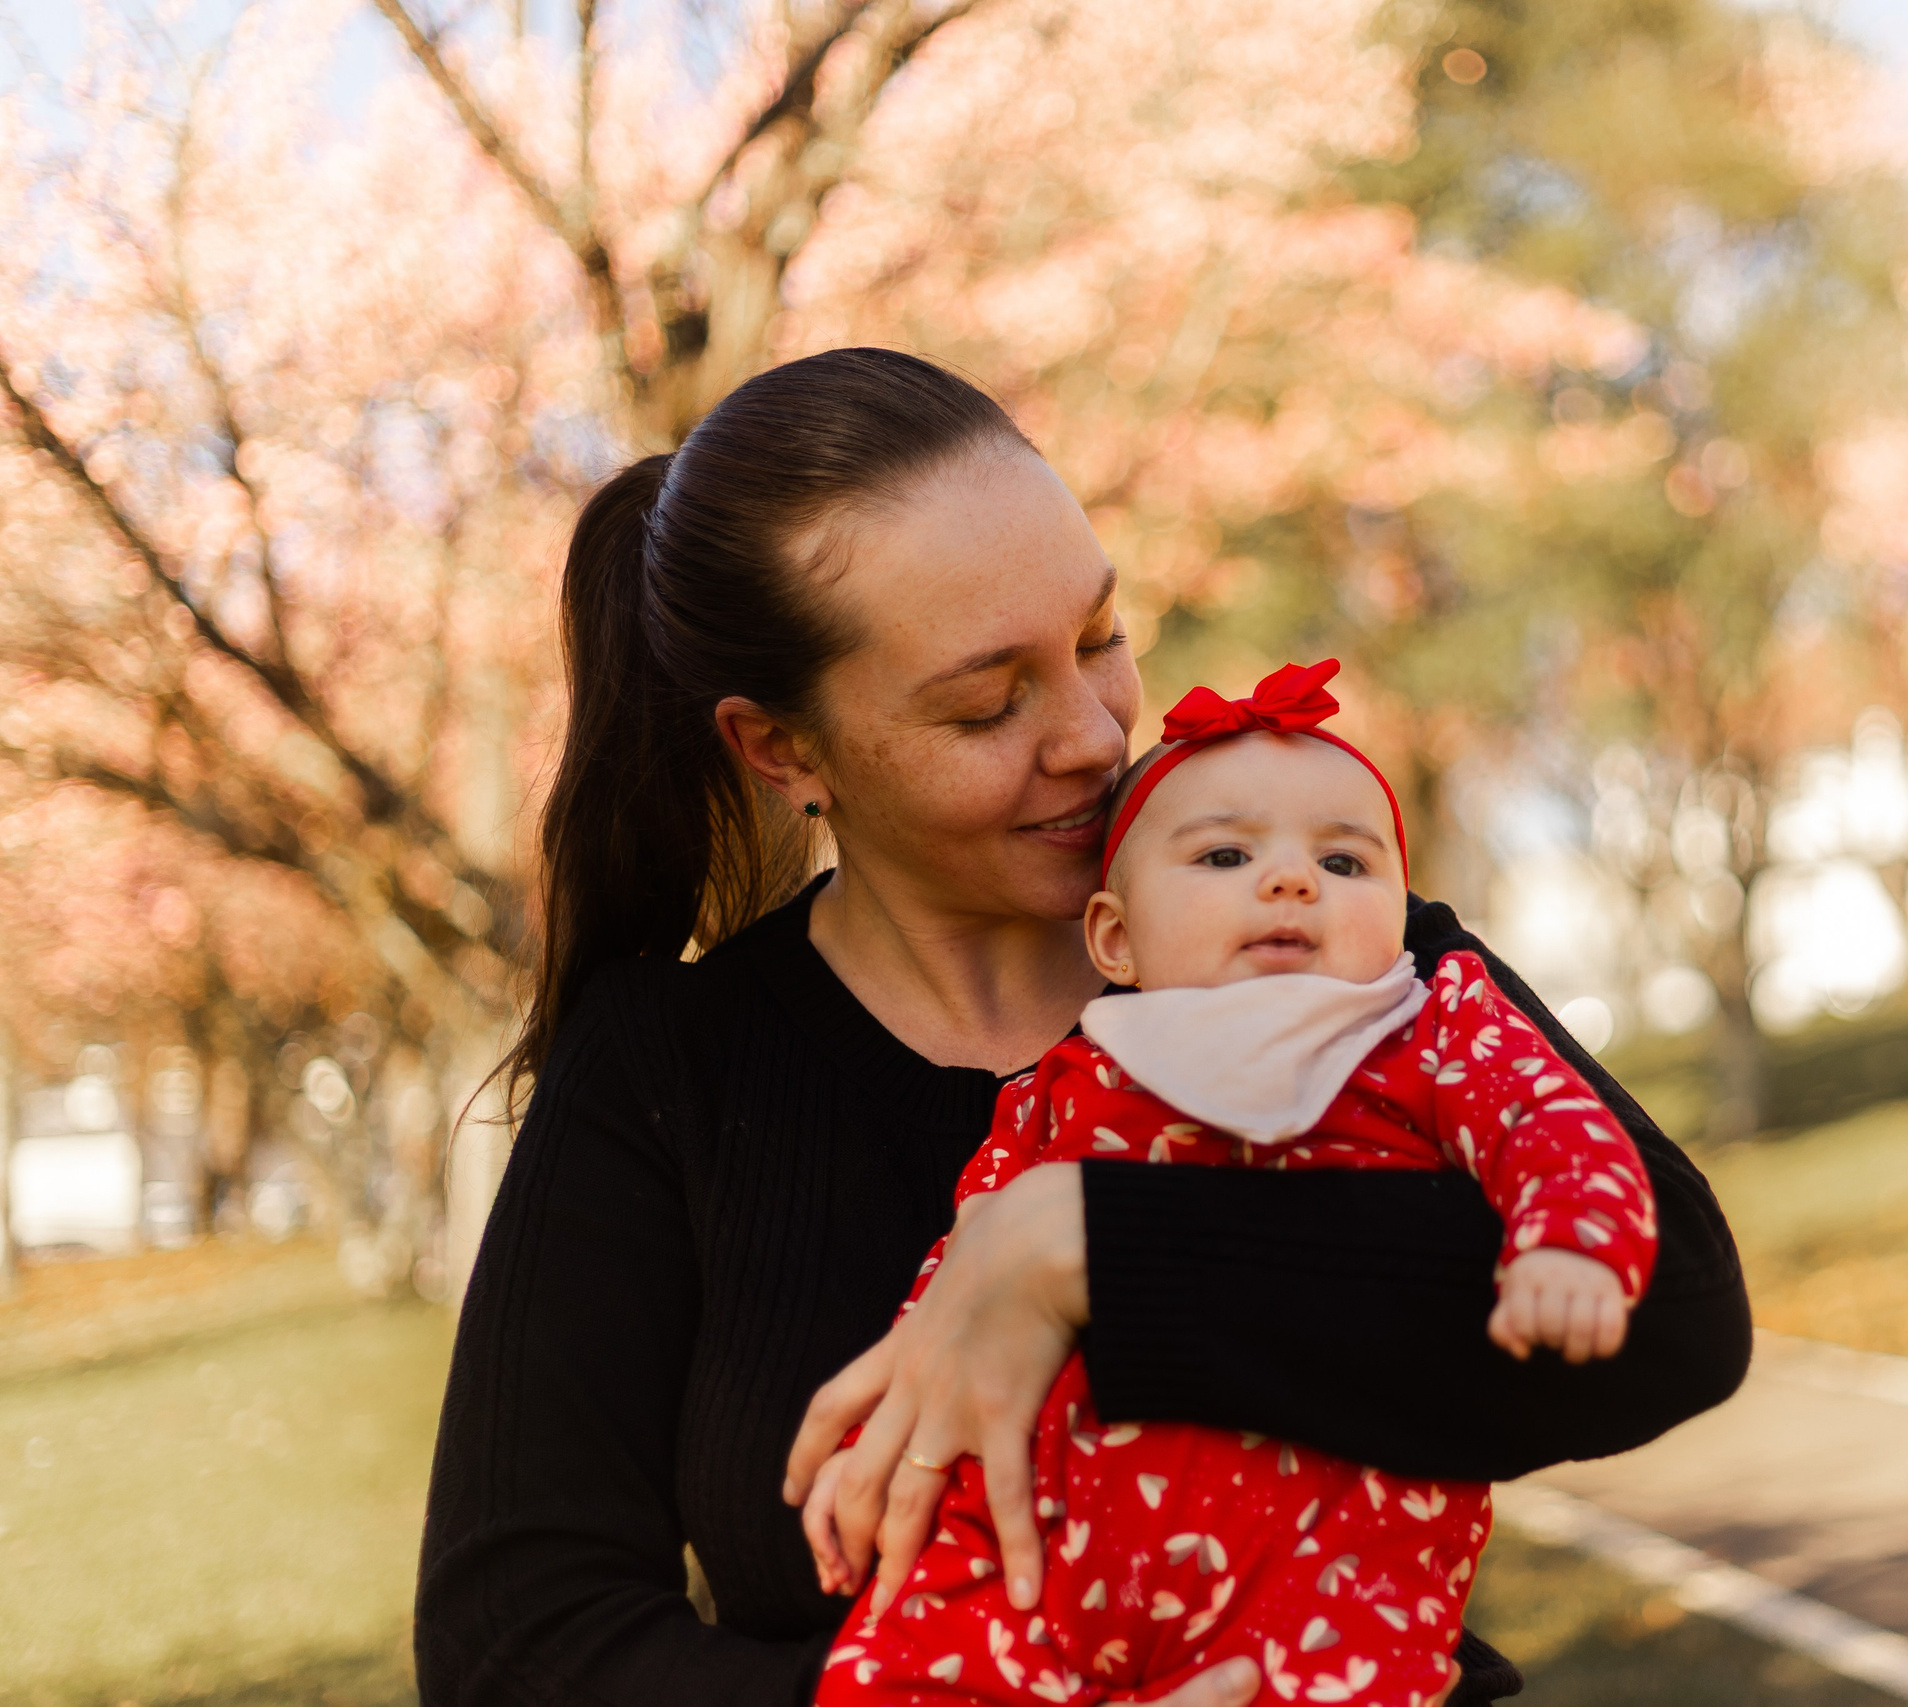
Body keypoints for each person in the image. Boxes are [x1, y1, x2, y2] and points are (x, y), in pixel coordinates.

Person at [414, 348, 1753, 1707]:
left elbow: (1680, 1312)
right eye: (988, 702)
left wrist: (1088, 1245)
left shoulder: (1330, 950)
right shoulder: (670, 1070)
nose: (1095, 734)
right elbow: (518, 1640)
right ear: (784, 749)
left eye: (1102, 637)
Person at [809, 660, 1656, 1707]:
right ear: (1114, 938)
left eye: (1346, 863)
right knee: (892, 1673)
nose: (1293, 879)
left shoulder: (1428, 1030)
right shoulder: (1066, 1082)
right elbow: (964, 1281)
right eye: (1225, 854)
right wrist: (880, 1442)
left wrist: (1570, 1240)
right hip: (1049, 1546)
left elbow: (1551, 1120)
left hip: (1331, 1556)